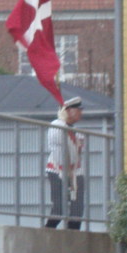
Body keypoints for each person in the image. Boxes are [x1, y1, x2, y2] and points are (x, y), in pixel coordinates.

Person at [45, 96, 85, 230]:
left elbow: (77, 152)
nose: (80, 112)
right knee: (59, 206)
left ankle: (73, 231)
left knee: (77, 205)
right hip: (57, 169)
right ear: (68, 110)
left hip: (75, 171)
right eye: (78, 110)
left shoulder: (75, 131)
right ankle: (49, 230)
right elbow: (59, 148)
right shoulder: (57, 125)